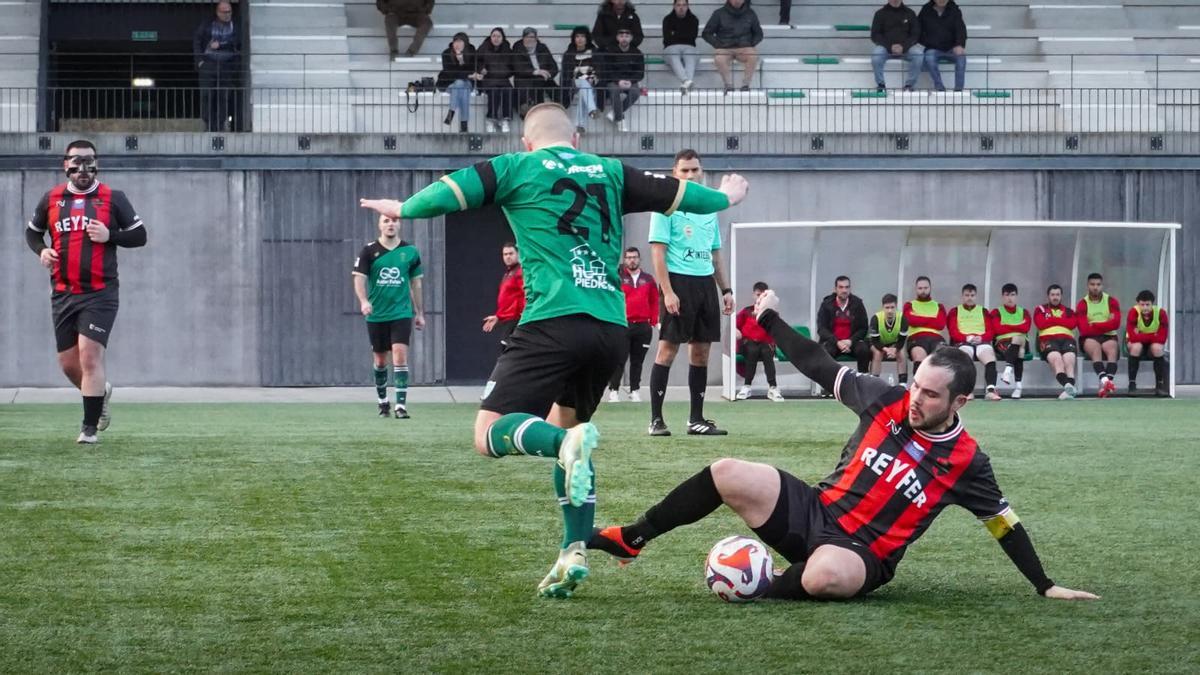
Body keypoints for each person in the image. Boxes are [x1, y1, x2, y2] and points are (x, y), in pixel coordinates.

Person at [359, 103, 749, 598]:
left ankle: (563, 464)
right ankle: (573, 549)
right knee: (571, 435)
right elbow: (675, 194)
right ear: (577, 139)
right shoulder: (610, 171)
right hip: (609, 328)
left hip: (552, 320)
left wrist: (404, 209)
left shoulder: (517, 167)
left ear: (526, 141)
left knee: (488, 433)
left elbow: (453, 190)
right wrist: (725, 197)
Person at [590, 290, 1099, 603]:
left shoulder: (967, 461)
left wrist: (1044, 584)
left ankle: (763, 588)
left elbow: (1004, 524)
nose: (916, 398)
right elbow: (817, 364)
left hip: (863, 553)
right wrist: (769, 322)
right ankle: (632, 537)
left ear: (960, 401)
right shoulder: (885, 398)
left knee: (825, 576)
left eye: (930, 394)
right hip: (815, 511)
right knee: (727, 470)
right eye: (916, 385)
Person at [24, 139, 147, 444]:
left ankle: (88, 429)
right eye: (76, 161)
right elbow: (32, 232)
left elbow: (140, 235)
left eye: (89, 161)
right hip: (63, 292)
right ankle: (99, 394)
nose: (83, 167)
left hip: (100, 292)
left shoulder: (113, 198)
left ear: (97, 164)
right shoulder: (51, 199)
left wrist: (111, 235)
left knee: (90, 358)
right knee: (69, 364)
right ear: (65, 165)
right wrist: (42, 251)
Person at [648, 149, 736, 437]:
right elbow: (658, 253)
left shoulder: (708, 206)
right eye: (684, 170)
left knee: (701, 352)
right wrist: (668, 292)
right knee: (668, 349)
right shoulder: (664, 206)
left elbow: (715, 254)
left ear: (701, 171)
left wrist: (726, 289)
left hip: (704, 285)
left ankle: (696, 419)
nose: (690, 175)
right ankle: (656, 420)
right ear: (675, 173)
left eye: (694, 170)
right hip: (678, 283)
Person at [352, 214, 425, 419]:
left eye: (394, 220)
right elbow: (359, 278)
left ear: (399, 224)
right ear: (380, 225)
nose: (390, 224)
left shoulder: (410, 251)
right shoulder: (369, 251)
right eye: (386, 221)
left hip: (401, 312)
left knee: (400, 355)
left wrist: (419, 313)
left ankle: (400, 406)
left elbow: (416, 284)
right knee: (380, 360)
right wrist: (364, 301)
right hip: (377, 315)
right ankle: (383, 401)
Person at [608, 247, 658, 403]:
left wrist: (654, 321)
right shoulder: (618, 278)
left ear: (639, 259)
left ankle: (635, 390)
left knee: (637, 361)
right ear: (624, 260)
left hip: (643, 326)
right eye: (629, 257)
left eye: (635, 257)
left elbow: (654, 301)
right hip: (623, 325)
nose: (632, 260)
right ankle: (614, 391)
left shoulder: (648, 279)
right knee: (619, 359)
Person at [193, 2, 242, 132]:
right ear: (218, 12)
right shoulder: (208, 24)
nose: (228, 15)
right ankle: (208, 123)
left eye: (229, 12)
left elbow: (236, 42)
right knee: (206, 95)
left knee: (223, 95)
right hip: (208, 63)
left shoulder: (234, 25)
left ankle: (221, 124)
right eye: (225, 12)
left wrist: (220, 45)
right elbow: (197, 40)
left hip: (227, 65)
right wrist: (199, 61)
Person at [947, 283, 999, 401]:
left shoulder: (984, 311)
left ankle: (990, 390)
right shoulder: (955, 311)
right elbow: (953, 331)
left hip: (981, 342)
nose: (969, 298)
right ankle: (968, 391)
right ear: (962, 296)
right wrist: (966, 338)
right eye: (967, 295)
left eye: (972, 295)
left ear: (976, 296)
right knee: (965, 359)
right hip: (963, 342)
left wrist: (982, 338)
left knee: (990, 358)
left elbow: (991, 331)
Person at [735, 281, 784, 401]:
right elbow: (734, 324)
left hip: (765, 344)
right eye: (758, 295)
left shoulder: (771, 314)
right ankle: (747, 386)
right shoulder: (746, 311)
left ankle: (773, 387)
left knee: (767, 352)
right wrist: (736, 331)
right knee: (752, 350)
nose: (760, 298)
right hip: (748, 343)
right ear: (754, 295)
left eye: (763, 296)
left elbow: (777, 330)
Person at [1075, 273, 1121, 398]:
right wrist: (1106, 323)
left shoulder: (1111, 301)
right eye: (1092, 284)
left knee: (1111, 347)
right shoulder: (1082, 304)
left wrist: (1094, 324)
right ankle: (1107, 382)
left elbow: (1116, 324)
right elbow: (1084, 329)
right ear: (1087, 286)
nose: (1095, 287)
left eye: (1098, 285)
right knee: (1095, 348)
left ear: (1102, 286)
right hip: (1089, 338)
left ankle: (1105, 384)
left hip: (1109, 336)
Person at [702, 0, 764, 93]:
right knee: (719, 59)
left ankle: (745, 85)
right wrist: (717, 44)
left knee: (753, 56)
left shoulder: (750, 13)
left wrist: (751, 44)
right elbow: (706, 33)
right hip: (724, 47)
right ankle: (729, 86)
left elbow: (759, 33)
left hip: (744, 47)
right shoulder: (719, 13)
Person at [816, 275, 870, 375]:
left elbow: (863, 328)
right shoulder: (826, 304)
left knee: (864, 350)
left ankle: (864, 381)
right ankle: (828, 385)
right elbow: (821, 329)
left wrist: (850, 341)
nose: (844, 290)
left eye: (847, 287)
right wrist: (837, 342)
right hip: (833, 342)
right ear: (835, 289)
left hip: (852, 342)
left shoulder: (857, 304)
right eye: (841, 287)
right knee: (826, 352)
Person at [1034, 284, 1078, 400]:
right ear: (1048, 296)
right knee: (1057, 360)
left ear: (1061, 296)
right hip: (1047, 339)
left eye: (1057, 295)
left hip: (1067, 339)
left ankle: (1068, 390)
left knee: (1069, 362)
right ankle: (1068, 386)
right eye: (1052, 295)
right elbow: (1040, 323)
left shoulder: (1068, 311)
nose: (1055, 297)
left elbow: (1072, 324)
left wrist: (1050, 320)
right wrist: (1061, 321)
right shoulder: (1040, 309)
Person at [597, 28, 645, 132]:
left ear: (631, 38)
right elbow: (607, 70)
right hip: (613, 81)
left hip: (630, 81)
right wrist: (618, 81)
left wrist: (631, 81)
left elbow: (640, 73)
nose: (624, 39)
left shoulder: (637, 53)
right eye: (622, 36)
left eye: (627, 36)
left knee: (635, 92)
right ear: (618, 38)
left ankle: (614, 113)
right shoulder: (610, 51)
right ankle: (620, 120)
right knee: (614, 91)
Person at [990, 283, 1031, 399]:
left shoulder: (1024, 312)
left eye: (1012, 295)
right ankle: (1018, 386)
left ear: (1016, 296)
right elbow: (997, 328)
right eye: (1007, 295)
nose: (1010, 298)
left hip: (1022, 341)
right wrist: (1018, 326)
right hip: (1003, 342)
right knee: (1020, 352)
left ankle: (1007, 371)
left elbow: (1026, 328)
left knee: (1018, 339)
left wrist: (1006, 325)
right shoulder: (996, 312)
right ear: (1002, 296)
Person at [1125, 290, 1169, 397]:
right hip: (1137, 344)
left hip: (1152, 346)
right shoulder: (1133, 312)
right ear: (1138, 304)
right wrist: (1153, 335)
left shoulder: (1161, 313)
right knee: (1136, 347)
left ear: (1152, 304)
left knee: (1158, 348)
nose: (1145, 308)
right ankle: (1132, 385)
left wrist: (1142, 335)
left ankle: (1159, 385)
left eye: (1147, 304)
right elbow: (1133, 337)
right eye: (1142, 304)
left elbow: (1162, 338)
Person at [870, 0, 922, 92]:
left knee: (918, 54)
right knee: (876, 55)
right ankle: (881, 85)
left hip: (906, 48)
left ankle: (909, 85)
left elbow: (915, 34)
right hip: (885, 48)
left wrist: (904, 46)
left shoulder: (910, 13)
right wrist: (890, 46)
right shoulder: (880, 13)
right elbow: (875, 35)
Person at [918, 0, 967, 92]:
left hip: (951, 48)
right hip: (933, 48)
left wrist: (959, 45)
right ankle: (940, 87)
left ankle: (958, 90)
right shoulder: (926, 10)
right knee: (929, 56)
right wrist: (929, 43)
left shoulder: (954, 10)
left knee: (961, 57)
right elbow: (918, 30)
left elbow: (961, 29)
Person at [482, 242, 524, 348]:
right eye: (505, 254)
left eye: (511, 253)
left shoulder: (520, 272)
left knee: (508, 352)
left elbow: (526, 295)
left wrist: (524, 318)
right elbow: (509, 300)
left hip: (517, 321)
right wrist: (498, 317)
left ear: (518, 254)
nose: (508, 257)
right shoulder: (508, 274)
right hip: (509, 321)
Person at [512, 27, 560, 117]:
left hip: (543, 79)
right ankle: (529, 108)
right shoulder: (518, 48)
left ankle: (560, 105)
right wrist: (535, 72)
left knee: (559, 93)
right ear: (523, 38)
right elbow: (518, 68)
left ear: (536, 38)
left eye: (532, 37)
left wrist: (548, 74)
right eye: (527, 37)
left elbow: (554, 67)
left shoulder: (543, 48)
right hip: (526, 80)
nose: (529, 40)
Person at [561, 27, 600, 133]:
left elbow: (599, 70)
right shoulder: (569, 53)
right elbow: (566, 73)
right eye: (577, 36)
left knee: (585, 89)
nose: (580, 39)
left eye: (582, 36)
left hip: (590, 82)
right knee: (583, 83)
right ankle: (592, 109)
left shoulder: (594, 52)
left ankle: (579, 125)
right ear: (574, 39)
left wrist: (593, 78)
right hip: (573, 82)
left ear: (587, 38)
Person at [903, 275, 946, 372]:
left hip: (936, 338)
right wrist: (931, 319)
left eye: (926, 288)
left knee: (942, 357)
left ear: (930, 288)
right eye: (920, 288)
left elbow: (940, 324)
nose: (923, 291)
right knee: (919, 357)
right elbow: (910, 320)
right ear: (916, 289)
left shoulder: (939, 306)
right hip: (916, 338)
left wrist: (918, 319)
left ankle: (937, 386)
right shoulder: (909, 305)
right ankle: (918, 386)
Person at [475, 27, 514, 133]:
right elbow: (476, 60)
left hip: (503, 79)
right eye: (493, 36)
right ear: (490, 37)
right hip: (489, 79)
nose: (496, 38)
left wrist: (506, 72)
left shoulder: (507, 49)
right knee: (494, 91)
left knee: (508, 91)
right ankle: (491, 119)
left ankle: (506, 119)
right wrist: (481, 68)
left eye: (498, 36)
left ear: (502, 38)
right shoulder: (484, 47)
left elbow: (513, 65)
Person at [436, 32, 476, 133]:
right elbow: (449, 73)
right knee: (460, 85)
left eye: (460, 42)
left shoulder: (472, 52)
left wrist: (462, 61)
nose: (457, 44)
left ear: (465, 43)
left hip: (467, 83)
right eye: (455, 41)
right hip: (450, 83)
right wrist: (466, 75)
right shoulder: (446, 53)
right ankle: (464, 125)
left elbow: (472, 69)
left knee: (460, 84)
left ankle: (451, 112)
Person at [869, 293, 908, 386]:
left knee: (901, 353)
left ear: (896, 307)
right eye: (887, 307)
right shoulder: (875, 318)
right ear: (882, 307)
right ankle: (875, 384)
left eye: (892, 307)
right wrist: (886, 349)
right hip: (878, 343)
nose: (890, 310)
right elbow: (875, 341)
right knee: (878, 354)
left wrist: (895, 349)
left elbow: (902, 340)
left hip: (895, 344)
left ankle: (903, 385)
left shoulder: (902, 319)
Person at [663, 0, 700, 92]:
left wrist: (675, 33)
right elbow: (668, 38)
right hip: (671, 48)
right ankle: (686, 81)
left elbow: (692, 37)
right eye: (678, 5)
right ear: (674, 6)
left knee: (690, 56)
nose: (681, 8)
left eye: (684, 5)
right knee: (673, 55)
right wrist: (683, 35)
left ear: (687, 6)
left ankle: (686, 84)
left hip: (689, 47)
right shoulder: (667, 19)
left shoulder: (694, 19)